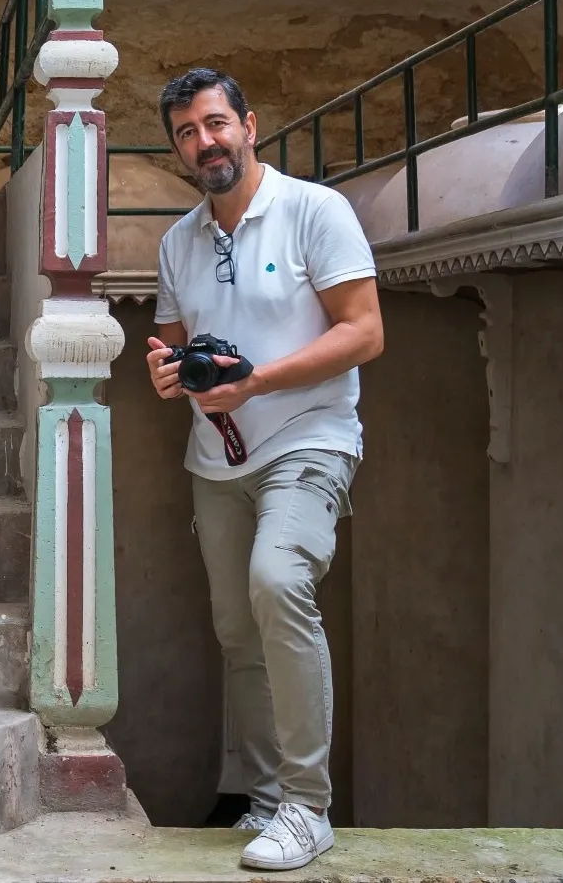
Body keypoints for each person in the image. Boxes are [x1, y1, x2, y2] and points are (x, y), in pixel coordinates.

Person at [146, 68, 384, 871]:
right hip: (217, 459)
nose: (204, 141)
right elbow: (180, 347)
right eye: (187, 132)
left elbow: (364, 331)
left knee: (278, 583)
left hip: (310, 438)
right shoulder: (178, 243)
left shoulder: (315, 211)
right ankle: (267, 798)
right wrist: (169, 373)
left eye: (216, 123)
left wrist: (258, 382)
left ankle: (308, 807)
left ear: (249, 125)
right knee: (238, 630)